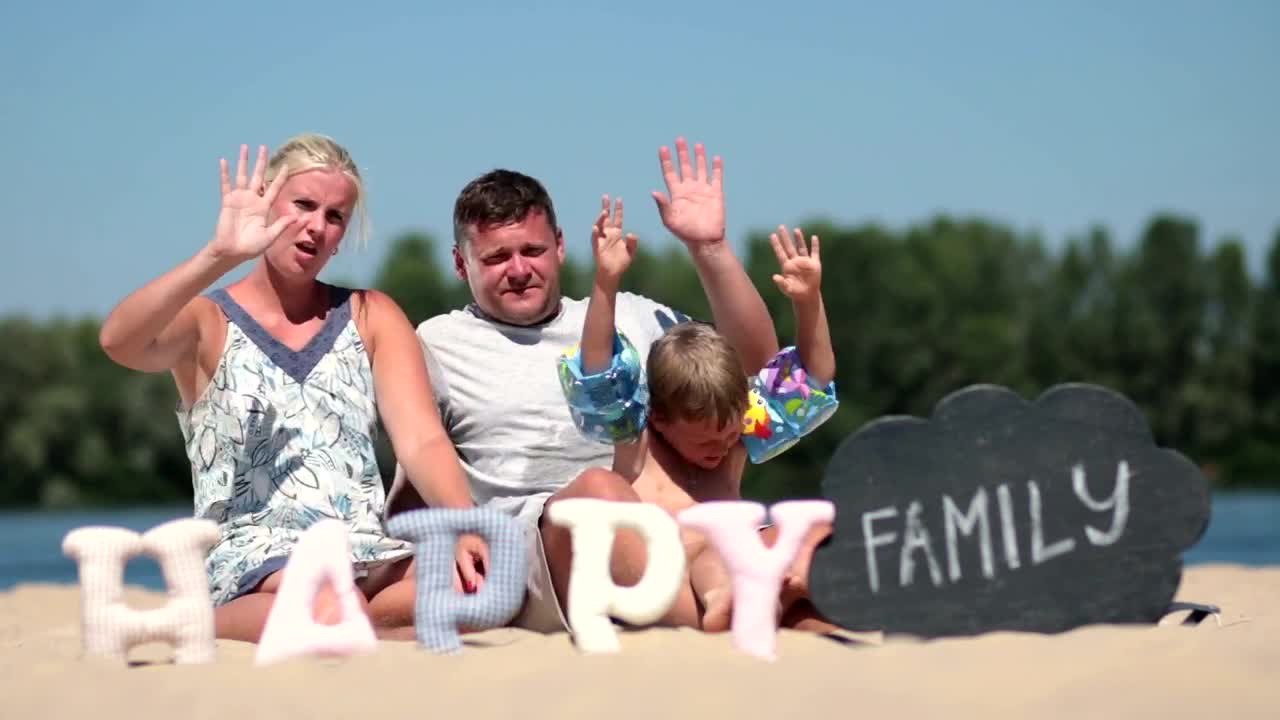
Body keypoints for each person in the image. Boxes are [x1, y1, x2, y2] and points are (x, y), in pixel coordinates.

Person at [98, 135, 486, 642]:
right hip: (254, 559)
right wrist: (220, 255)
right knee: (328, 603)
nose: (316, 226)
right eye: (303, 205)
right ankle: (199, 621)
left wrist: (466, 526)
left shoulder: (372, 315)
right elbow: (119, 341)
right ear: (266, 203)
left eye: (334, 216)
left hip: (362, 551)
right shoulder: (206, 321)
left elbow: (421, 441)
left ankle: (350, 618)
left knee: (479, 586)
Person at [386, 137, 780, 631]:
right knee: (600, 493)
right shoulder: (435, 343)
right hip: (535, 547)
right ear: (462, 264)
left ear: (560, 246)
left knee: (790, 538)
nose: (519, 270)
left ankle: (772, 602)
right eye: (495, 258)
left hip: (667, 523)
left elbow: (757, 377)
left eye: (533, 250)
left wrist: (711, 249)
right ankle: (711, 621)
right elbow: (414, 449)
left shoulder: (632, 316)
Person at [557, 200, 839, 632]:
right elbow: (597, 372)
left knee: (814, 526)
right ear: (662, 418)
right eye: (707, 441)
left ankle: (791, 593)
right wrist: (606, 283)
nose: (723, 448)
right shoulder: (637, 436)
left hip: (740, 564)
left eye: (729, 436)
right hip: (664, 581)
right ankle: (737, 601)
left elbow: (812, 379)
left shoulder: (740, 429)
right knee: (709, 555)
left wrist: (809, 305)